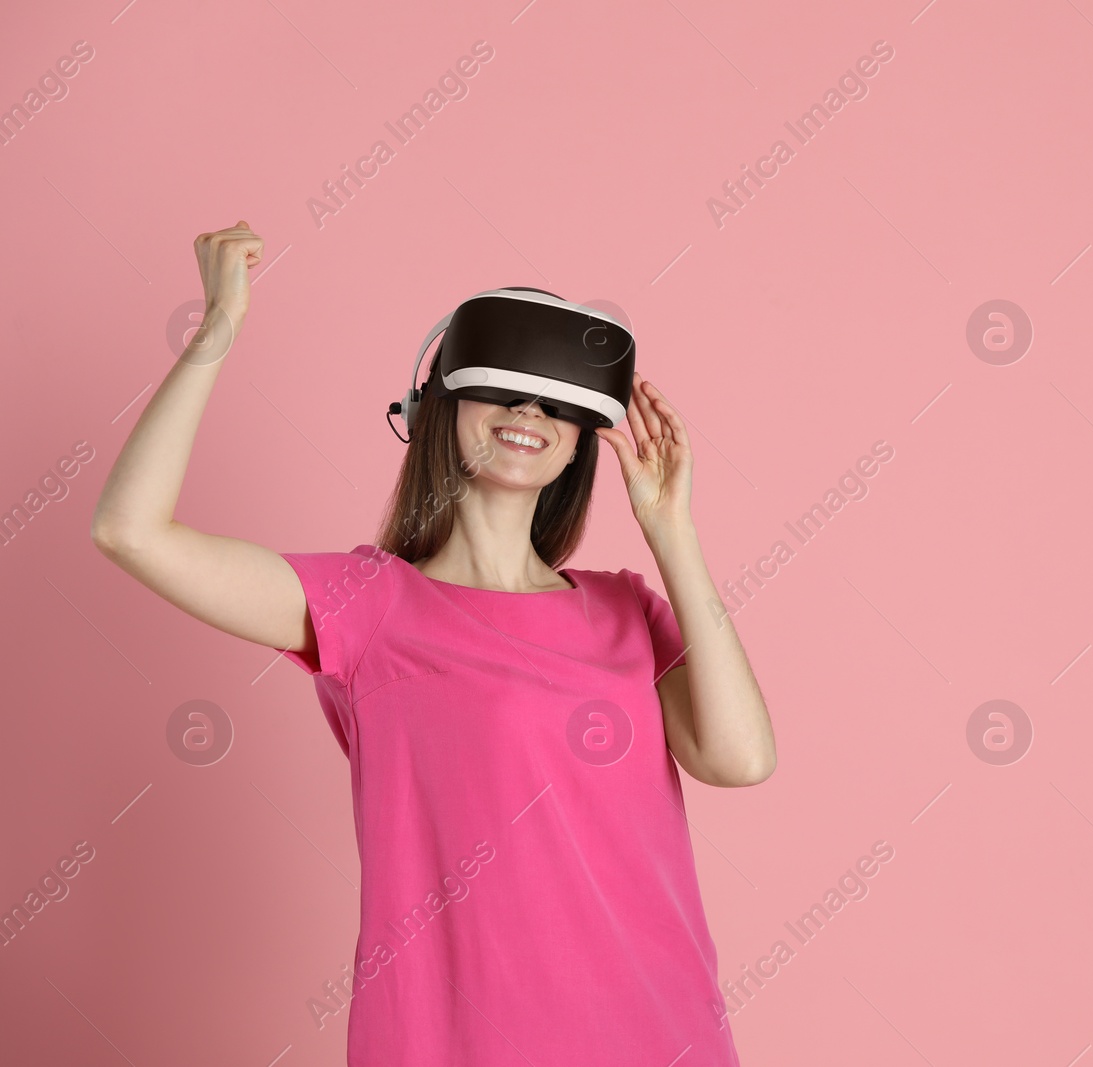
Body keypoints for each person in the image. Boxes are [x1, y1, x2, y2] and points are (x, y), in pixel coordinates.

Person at [91, 221, 776, 1065]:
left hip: (657, 1031)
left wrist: (672, 532)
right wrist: (218, 325)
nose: (531, 412)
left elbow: (740, 757)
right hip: (452, 1042)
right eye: (505, 388)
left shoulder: (624, 607)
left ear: (580, 441)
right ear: (436, 406)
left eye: (560, 400)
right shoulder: (368, 602)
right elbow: (129, 530)